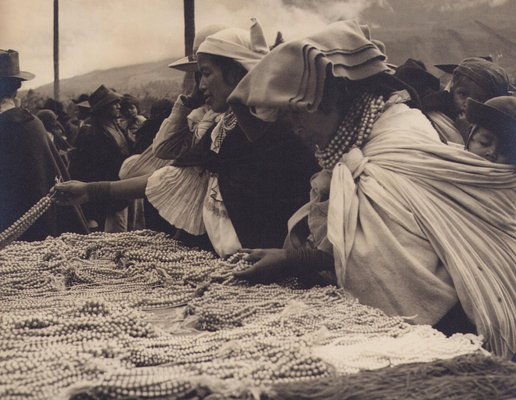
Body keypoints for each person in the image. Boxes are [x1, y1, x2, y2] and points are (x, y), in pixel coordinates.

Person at [228, 20, 515, 359]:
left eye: (298, 116)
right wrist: (288, 260)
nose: (297, 129)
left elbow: (391, 271)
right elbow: (368, 248)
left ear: (331, 100)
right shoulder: (366, 145)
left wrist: (296, 259)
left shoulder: (390, 151)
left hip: (450, 336)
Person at [54, 19, 319, 257]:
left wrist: (290, 260)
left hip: (270, 265)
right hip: (233, 259)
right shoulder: (221, 127)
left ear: (238, 72)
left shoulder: (281, 129)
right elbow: (172, 175)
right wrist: (91, 191)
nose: (200, 86)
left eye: (205, 73)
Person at [0, 49, 88, 241]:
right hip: (39, 230)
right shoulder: (32, 124)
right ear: (15, 88)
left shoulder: (11, 126)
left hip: (17, 237)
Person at [68, 84, 131, 232]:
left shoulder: (115, 126)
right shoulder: (91, 131)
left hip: (120, 189)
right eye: (113, 103)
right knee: (112, 235)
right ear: (104, 107)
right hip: (104, 195)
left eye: (118, 103)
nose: (118, 106)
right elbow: (82, 169)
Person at [423, 57, 511, 144]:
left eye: (479, 99)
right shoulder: (432, 118)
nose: (467, 104)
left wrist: (467, 134)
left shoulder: (499, 133)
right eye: (462, 94)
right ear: (452, 90)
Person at [465, 96, 516, 164]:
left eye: (504, 151)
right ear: (470, 135)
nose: (492, 153)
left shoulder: (510, 173)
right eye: (484, 143)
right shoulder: (447, 160)